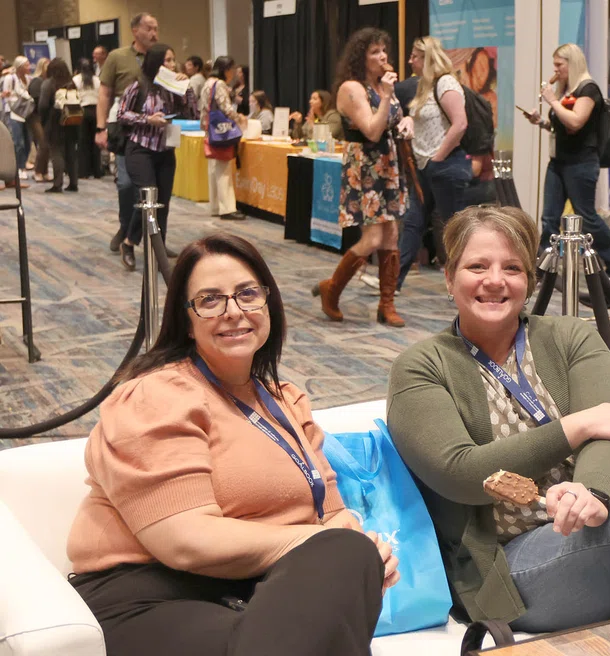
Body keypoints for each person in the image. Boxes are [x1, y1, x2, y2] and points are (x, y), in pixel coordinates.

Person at [387, 204, 610, 633]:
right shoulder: (420, 367)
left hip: (600, 538)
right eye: (477, 265)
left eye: (512, 267)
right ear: (449, 277)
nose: (495, 280)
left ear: (529, 281)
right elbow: (463, 472)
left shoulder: (570, 337)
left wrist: (592, 493)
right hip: (512, 569)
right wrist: (580, 425)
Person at [67, 232, 399, 656]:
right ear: (185, 320)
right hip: (152, 596)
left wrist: (364, 555)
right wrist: (318, 544)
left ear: (268, 303)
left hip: (257, 593)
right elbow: (185, 541)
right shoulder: (159, 396)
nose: (233, 311)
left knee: (347, 561)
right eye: (209, 300)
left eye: (247, 294)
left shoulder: (286, 401)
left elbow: (332, 516)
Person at [312, 28, 410, 327]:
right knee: (373, 238)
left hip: (389, 162)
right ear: (361, 57)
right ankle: (332, 288)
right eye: (374, 52)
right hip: (366, 164)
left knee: (392, 234)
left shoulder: (382, 87)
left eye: (384, 50)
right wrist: (388, 97)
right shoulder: (351, 88)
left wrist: (407, 121)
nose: (382, 57)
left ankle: (386, 304)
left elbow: (396, 118)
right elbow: (371, 129)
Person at [527, 43, 610, 284]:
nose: (555, 70)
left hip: (581, 163)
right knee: (550, 217)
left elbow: (576, 122)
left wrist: (552, 101)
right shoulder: (567, 90)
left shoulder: (588, 89)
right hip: (559, 162)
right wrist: (541, 122)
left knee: (587, 218)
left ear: (571, 63)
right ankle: (545, 269)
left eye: (559, 65)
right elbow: (562, 127)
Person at [396, 36, 472, 293]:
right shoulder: (424, 87)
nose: (410, 61)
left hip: (445, 166)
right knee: (413, 222)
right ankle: (393, 283)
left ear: (426, 58)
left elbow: (460, 123)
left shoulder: (446, 82)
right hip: (425, 167)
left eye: (414, 57)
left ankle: (466, 285)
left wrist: (437, 157)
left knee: (454, 229)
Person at [117, 43, 198, 271]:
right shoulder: (138, 86)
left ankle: (158, 247)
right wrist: (147, 119)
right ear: (156, 64)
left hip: (165, 150)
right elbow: (122, 114)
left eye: (173, 60)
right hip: (140, 149)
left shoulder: (174, 88)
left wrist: (186, 88)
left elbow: (193, 114)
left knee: (162, 202)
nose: (172, 65)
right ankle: (129, 242)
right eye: (167, 61)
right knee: (148, 198)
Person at [96, 12, 159, 254]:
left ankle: (148, 237)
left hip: (153, 130)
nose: (154, 33)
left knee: (149, 186)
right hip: (123, 127)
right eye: (149, 28)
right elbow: (104, 93)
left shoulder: (161, 56)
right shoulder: (118, 57)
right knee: (125, 183)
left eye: (156, 28)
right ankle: (125, 227)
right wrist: (101, 128)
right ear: (135, 30)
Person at [200, 56, 247, 222]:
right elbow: (226, 108)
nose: (233, 73)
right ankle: (227, 208)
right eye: (232, 70)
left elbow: (203, 108)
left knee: (213, 170)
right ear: (226, 69)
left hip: (210, 130)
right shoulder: (219, 85)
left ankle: (215, 206)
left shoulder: (207, 83)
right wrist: (239, 118)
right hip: (222, 131)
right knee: (223, 170)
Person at [38, 58, 79, 193]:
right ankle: (73, 182)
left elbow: (43, 105)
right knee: (71, 152)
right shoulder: (71, 83)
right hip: (72, 120)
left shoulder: (49, 84)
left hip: (54, 121)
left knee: (56, 151)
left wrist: (43, 121)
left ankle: (57, 183)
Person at [2, 56, 33, 183]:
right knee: (17, 141)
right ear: (20, 66)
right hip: (14, 112)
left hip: (26, 113)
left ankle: (23, 164)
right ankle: (18, 168)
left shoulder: (28, 79)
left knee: (27, 141)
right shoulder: (10, 78)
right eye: (26, 65)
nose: (29, 67)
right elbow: (5, 95)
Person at [73, 58, 102, 179]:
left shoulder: (76, 79)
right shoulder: (97, 80)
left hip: (82, 110)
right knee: (95, 142)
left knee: (83, 142)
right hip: (96, 110)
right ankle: (96, 170)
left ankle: (83, 172)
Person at [27, 57, 51, 183]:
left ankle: (45, 171)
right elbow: (37, 100)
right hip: (35, 116)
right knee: (42, 143)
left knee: (47, 145)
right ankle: (37, 171)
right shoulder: (37, 81)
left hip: (45, 117)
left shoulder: (49, 81)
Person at [466, 47, 497, 124]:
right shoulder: (460, 92)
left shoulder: (491, 99)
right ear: (471, 67)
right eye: (480, 67)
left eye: (486, 70)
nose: (481, 76)